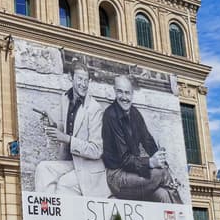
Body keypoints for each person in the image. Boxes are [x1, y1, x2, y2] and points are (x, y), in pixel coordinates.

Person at [33, 59, 109, 196]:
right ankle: (46, 209)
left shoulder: (94, 109)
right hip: (72, 163)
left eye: (86, 80)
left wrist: (67, 139)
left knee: (63, 184)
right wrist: (51, 121)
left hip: (89, 169)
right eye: (80, 79)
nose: (83, 84)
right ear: (70, 78)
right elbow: (63, 124)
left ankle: (58, 210)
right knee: (42, 169)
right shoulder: (65, 98)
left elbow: (96, 150)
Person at [101, 75, 182, 203]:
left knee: (163, 194)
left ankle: (177, 215)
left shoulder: (134, 113)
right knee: (162, 174)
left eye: (127, 93)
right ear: (114, 91)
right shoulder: (110, 116)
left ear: (132, 94)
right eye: (120, 92)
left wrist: (161, 161)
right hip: (117, 177)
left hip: (134, 172)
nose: (124, 97)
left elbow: (148, 141)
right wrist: (150, 162)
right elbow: (125, 159)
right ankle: (182, 212)